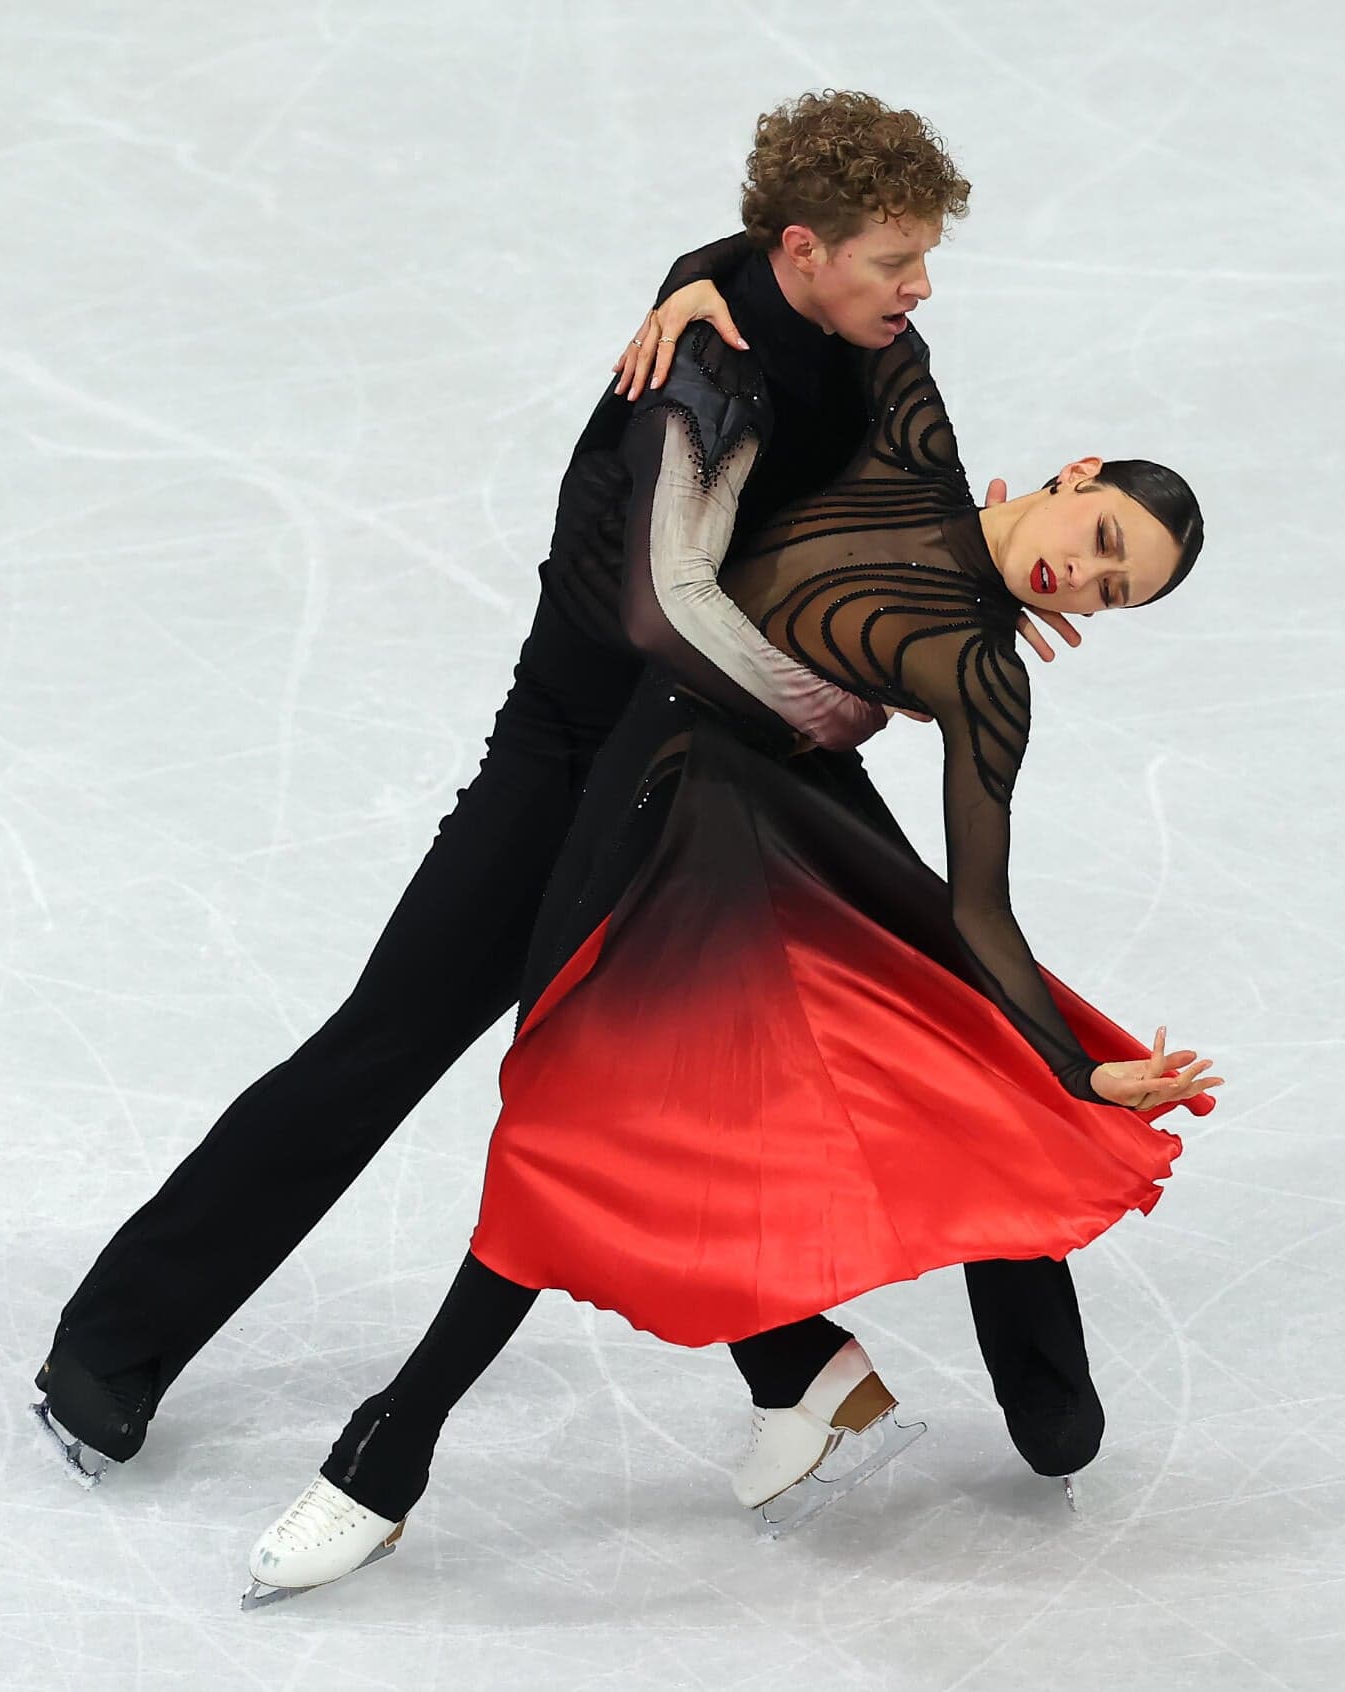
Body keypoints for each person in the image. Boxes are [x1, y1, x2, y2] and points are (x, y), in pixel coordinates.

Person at [34, 91, 1104, 1499]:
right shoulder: (699, 380)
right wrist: (849, 696)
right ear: (801, 249)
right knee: (403, 1038)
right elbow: (666, 615)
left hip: (755, 758)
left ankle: (1000, 1379)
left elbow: (916, 500)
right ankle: (111, 1346)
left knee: (948, 999)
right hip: (582, 751)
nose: (921, 285)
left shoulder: (858, 340)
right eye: (895, 256)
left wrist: (979, 597)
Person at [241, 311, 1220, 1603]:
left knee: (560, 1143)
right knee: (584, 1131)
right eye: (1100, 543)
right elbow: (832, 281)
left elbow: (981, 907)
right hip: (628, 806)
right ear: (1077, 474)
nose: (1081, 579)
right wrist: (700, 283)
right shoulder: (911, 446)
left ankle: (381, 1462)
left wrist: (1076, 1076)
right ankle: (803, 1378)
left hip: (741, 859)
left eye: (1113, 591)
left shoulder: (985, 672)